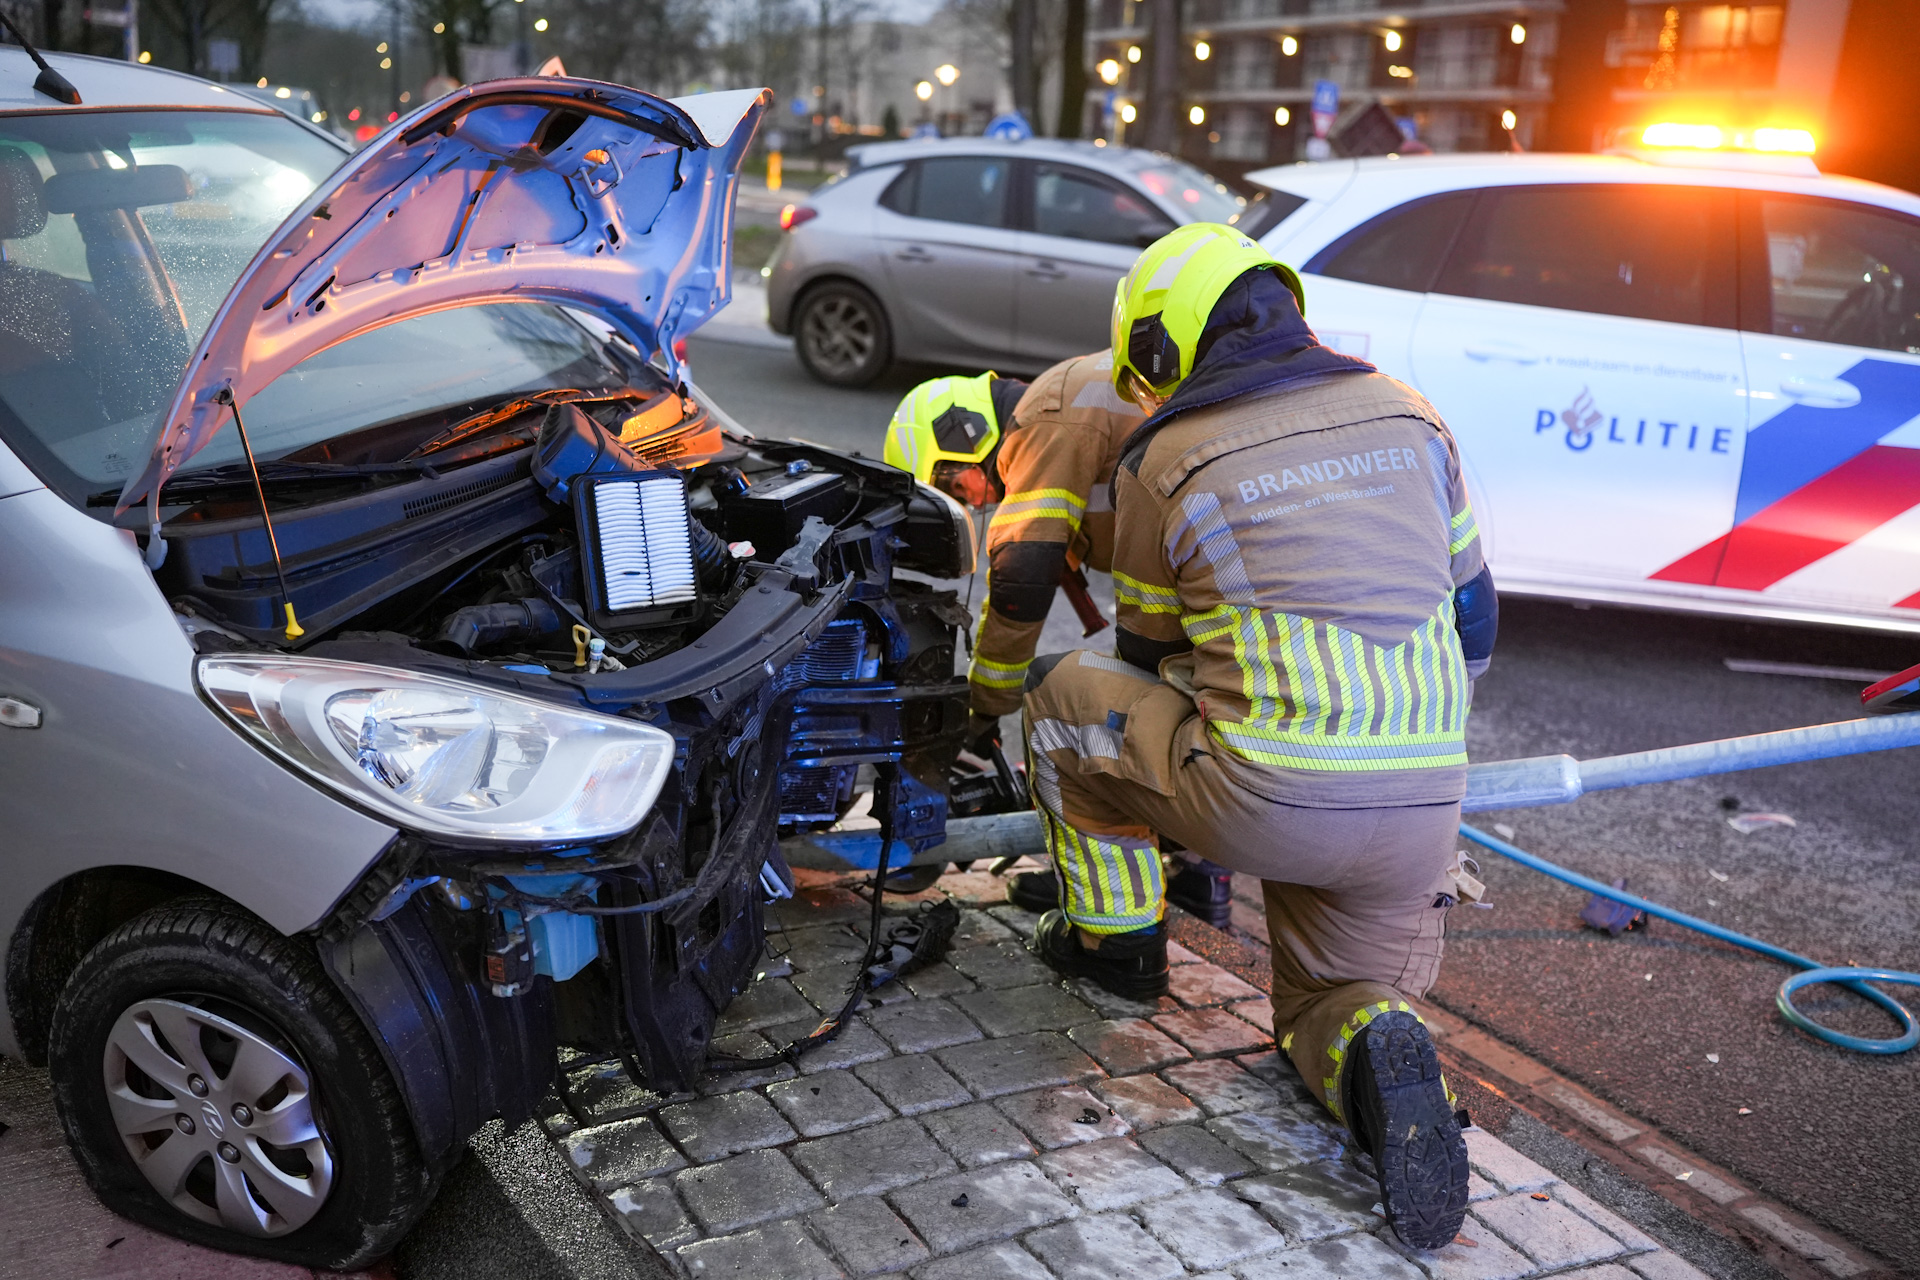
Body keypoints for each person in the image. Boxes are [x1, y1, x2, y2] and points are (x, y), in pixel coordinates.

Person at [1018, 222, 1497, 1250]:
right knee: (1326, 998)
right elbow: (1478, 622)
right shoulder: (1414, 415)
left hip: (1265, 794)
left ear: (1160, 347)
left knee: (1063, 701)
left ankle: (1115, 943)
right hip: (1422, 802)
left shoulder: (1167, 454)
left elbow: (1141, 657)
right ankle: (1380, 1039)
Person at [881, 360, 1242, 927]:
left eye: (954, 485)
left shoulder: (1043, 418)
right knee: (1198, 704)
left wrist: (982, 709)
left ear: (963, 434)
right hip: (1224, 570)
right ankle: (1202, 876)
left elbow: (1024, 576)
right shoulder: (1071, 408)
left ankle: (1104, 877)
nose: (973, 503)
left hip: (1219, 569)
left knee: (1077, 701)